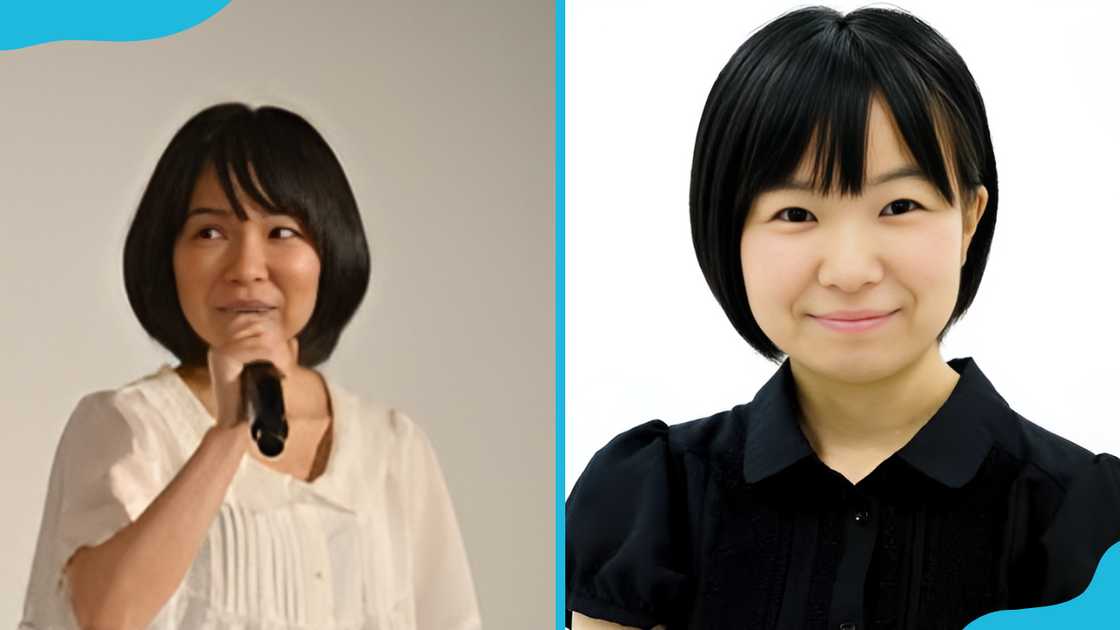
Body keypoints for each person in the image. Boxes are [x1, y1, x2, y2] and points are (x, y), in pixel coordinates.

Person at [566, 6, 1120, 629]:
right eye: (796, 214)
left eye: (899, 205)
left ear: (969, 219)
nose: (851, 270)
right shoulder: (650, 499)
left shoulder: (1092, 521)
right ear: (729, 234)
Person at [20, 103, 482, 629]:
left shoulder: (394, 448)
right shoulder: (125, 427)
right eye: (210, 233)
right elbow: (104, 618)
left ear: (328, 252)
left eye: (282, 233)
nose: (246, 269)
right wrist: (228, 434)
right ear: (167, 256)